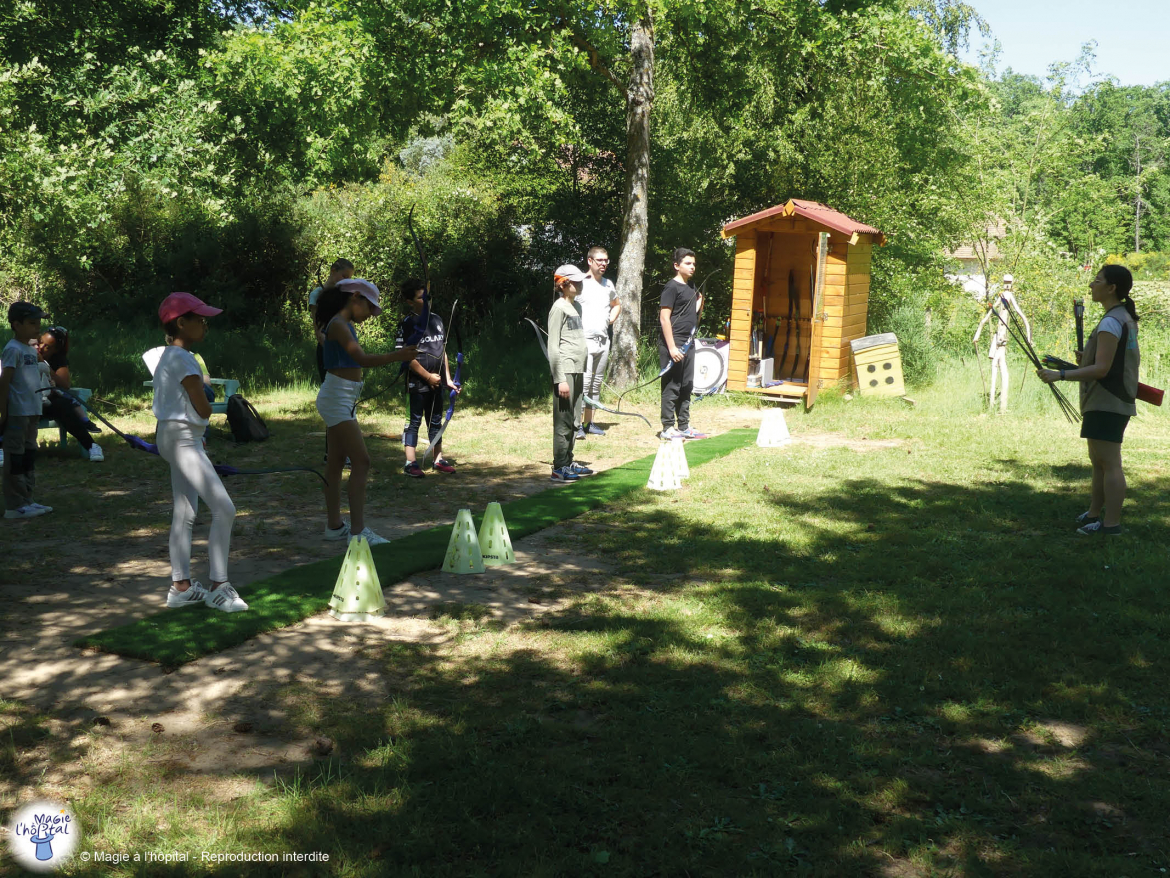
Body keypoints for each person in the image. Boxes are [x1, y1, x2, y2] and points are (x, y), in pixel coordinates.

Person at [153, 292, 247, 611]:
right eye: (200, 319)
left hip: (173, 436)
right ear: (182, 323)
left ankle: (181, 587)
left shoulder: (168, 355)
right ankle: (219, 586)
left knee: (187, 511)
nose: (205, 325)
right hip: (183, 440)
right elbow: (205, 409)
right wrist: (203, 407)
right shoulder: (183, 358)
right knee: (224, 508)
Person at [1038, 265, 1140, 536]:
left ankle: (1111, 525)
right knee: (1099, 462)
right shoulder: (1120, 317)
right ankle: (1095, 513)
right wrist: (1088, 359)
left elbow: (1102, 370)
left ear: (1112, 288)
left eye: (1097, 280)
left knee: (1110, 463)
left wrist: (1060, 374)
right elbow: (1109, 362)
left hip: (1108, 400)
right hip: (1108, 400)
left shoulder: (1111, 321)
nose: (1091, 285)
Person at [315, 278, 418, 544]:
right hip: (337, 399)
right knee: (362, 462)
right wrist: (399, 355)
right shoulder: (339, 324)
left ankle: (334, 527)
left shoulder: (342, 324)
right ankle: (359, 534)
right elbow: (361, 359)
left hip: (341, 399)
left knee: (337, 463)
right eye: (369, 308)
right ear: (356, 298)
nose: (371, 315)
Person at [397, 278, 459, 478]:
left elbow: (443, 351)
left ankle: (438, 459)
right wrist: (426, 376)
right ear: (410, 301)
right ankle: (410, 462)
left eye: (427, 297)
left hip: (437, 383)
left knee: (435, 421)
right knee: (413, 421)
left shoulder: (437, 320)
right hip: (416, 383)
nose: (426, 300)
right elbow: (405, 356)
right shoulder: (407, 324)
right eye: (420, 298)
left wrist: (447, 378)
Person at [1, 302, 53, 519]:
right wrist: (3, 411)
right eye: (31, 323)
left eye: (38, 323)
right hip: (17, 412)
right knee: (16, 456)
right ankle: (14, 505)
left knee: (29, 455)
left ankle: (27, 499)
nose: (36, 328)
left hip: (32, 410)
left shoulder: (29, 349)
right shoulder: (12, 349)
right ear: (16, 324)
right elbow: (5, 382)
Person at [548, 265, 593, 481]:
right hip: (565, 372)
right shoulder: (558, 308)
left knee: (575, 419)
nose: (580, 284)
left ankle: (569, 460)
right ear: (564, 284)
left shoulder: (577, 307)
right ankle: (559, 467)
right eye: (576, 281)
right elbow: (553, 346)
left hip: (578, 370)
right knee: (563, 420)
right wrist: (560, 379)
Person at [37, 327, 104, 462]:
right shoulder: (24, 352)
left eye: (48, 347)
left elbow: (65, 384)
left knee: (64, 406)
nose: (41, 347)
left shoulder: (57, 360)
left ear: (55, 350)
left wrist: (45, 367)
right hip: (27, 400)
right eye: (40, 342)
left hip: (48, 401)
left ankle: (92, 446)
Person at [574, 246, 621, 440]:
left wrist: (610, 319)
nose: (603, 264)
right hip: (584, 341)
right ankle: (576, 425)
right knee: (583, 385)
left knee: (596, 385)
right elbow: (565, 304)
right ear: (590, 261)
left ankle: (589, 423)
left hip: (604, 341)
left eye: (606, 261)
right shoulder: (580, 283)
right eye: (599, 260)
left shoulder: (608, 284)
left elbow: (617, 304)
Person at [658, 248, 704, 439]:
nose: (692, 266)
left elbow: (696, 301)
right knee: (672, 386)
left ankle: (684, 426)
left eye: (693, 263)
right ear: (676, 266)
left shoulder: (692, 286)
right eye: (687, 263)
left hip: (688, 344)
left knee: (686, 385)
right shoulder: (671, 287)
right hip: (674, 345)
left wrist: (698, 303)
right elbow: (664, 318)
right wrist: (672, 348)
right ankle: (668, 427)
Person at [973, 274, 1031, 413]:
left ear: (1012, 284)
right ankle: (992, 405)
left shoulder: (1009, 297)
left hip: (1002, 341)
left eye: (1009, 283)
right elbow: (988, 316)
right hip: (997, 340)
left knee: (1003, 372)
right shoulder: (1001, 297)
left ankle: (1002, 407)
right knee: (993, 369)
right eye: (1005, 282)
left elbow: (1021, 316)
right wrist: (978, 333)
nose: (1006, 285)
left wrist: (1028, 338)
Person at [309, 259, 356, 383]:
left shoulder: (344, 295)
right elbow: (318, 330)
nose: (345, 280)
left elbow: (350, 323)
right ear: (333, 270)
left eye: (349, 278)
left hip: (345, 347)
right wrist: (331, 349)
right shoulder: (317, 294)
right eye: (344, 276)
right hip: (327, 348)